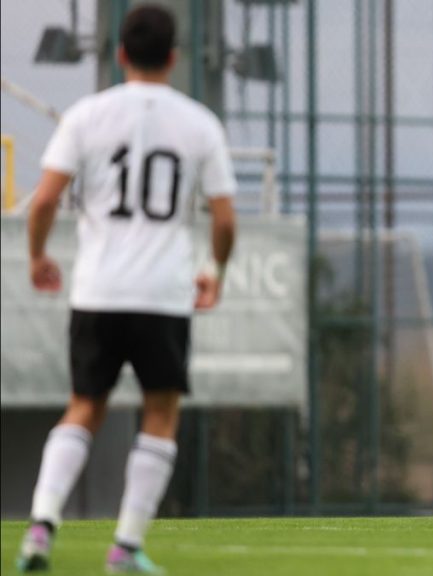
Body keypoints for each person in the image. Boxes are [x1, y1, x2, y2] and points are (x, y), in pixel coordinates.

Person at [16, 5, 236, 573]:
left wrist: (38, 255)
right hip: (162, 294)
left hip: (98, 290)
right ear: (173, 57)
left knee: (84, 406)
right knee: (160, 412)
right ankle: (127, 545)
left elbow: (42, 200)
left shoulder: (87, 116)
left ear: (119, 55)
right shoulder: (199, 123)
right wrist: (214, 269)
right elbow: (224, 216)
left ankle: (41, 525)